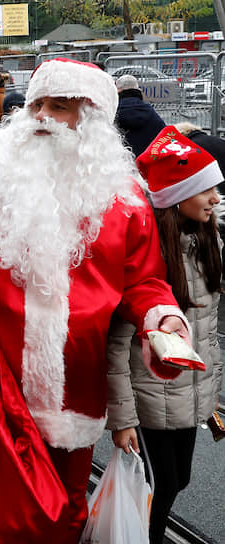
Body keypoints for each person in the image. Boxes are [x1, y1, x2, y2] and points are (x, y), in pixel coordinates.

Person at [0, 58, 191, 541]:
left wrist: (164, 321)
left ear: (90, 118)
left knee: (65, 510)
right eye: (37, 105)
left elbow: (144, 281)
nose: (43, 117)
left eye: (60, 107)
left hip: (77, 385)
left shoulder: (126, 201)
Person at [107, 127, 223, 544]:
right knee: (159, 487)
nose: (216, 198)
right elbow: (117, 345)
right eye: (206, 189)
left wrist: (207, 397)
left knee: (179, 481)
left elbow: (207, 334)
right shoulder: (146, 254)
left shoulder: (209, 242)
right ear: (177, 196)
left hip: (189, 397)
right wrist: (122, 420)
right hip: (149, 402)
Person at [115, 74, 166, 157]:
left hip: (119, 162)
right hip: (147, 161)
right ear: (138, 90)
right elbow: (164, 137)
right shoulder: (150, 112)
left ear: (117, 91)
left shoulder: (112, 113)